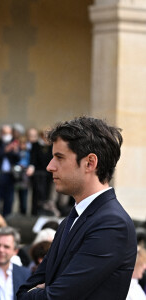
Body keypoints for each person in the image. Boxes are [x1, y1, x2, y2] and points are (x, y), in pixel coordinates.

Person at [17, 116, 137, 300]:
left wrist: (42, 291)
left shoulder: (112, 224)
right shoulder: (72, 219)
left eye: (59, 157)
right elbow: (23, 291)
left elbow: (57, 297)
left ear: (90, 163)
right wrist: (43, 290)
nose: (50, 166)